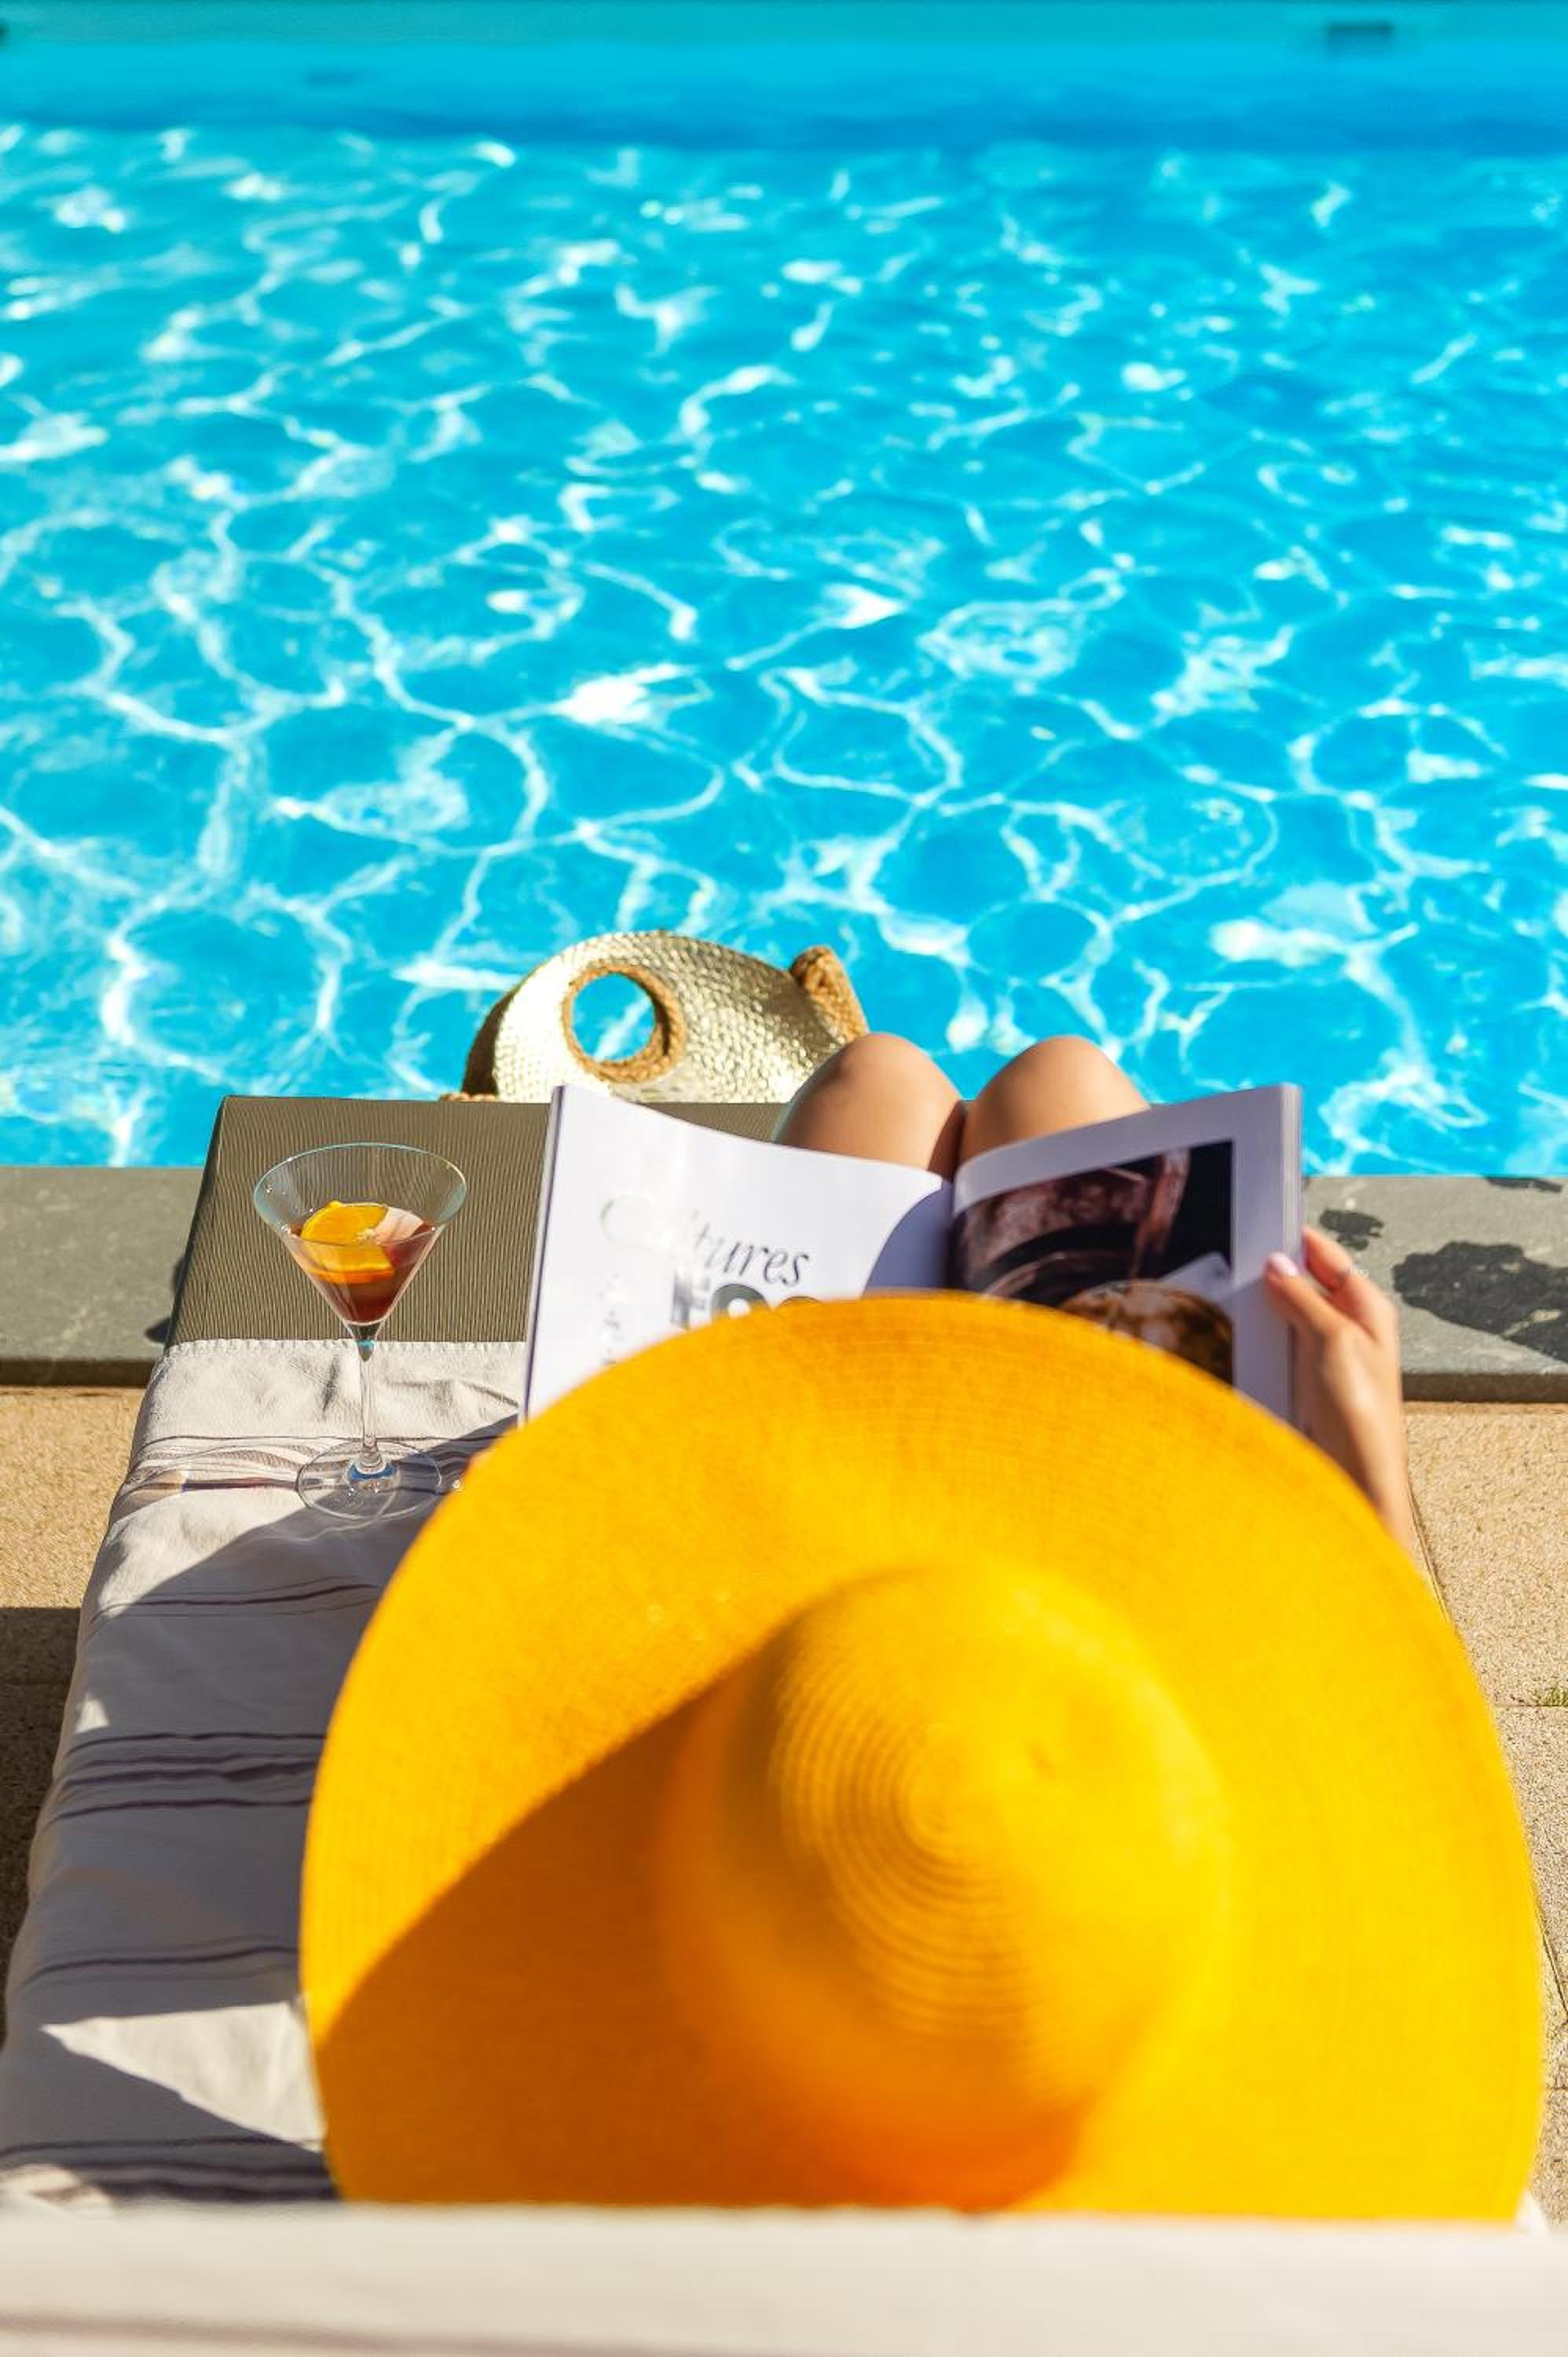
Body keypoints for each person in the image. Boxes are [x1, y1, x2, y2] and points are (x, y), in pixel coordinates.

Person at [776, 1032, 1416, 1556]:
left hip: (839, 1558)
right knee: (1057, 1075)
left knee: (878, 1077)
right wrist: (1373, 1489)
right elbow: (1387, 1673)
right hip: (1115, 1562)